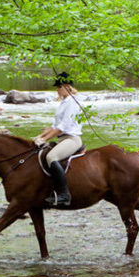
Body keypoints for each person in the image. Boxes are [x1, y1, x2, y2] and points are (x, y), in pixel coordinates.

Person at [34, 72, 84, 206]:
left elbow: (63, 127)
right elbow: (54, 126)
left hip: (71, 138)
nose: (57, 90)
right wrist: (39, 137)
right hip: (63, 139)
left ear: (67, 86)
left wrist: (45, 139)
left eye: (59, 87)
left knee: (51, 157)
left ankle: (64, 194)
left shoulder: (72, 102)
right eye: (57, 88)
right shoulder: (63, 102)